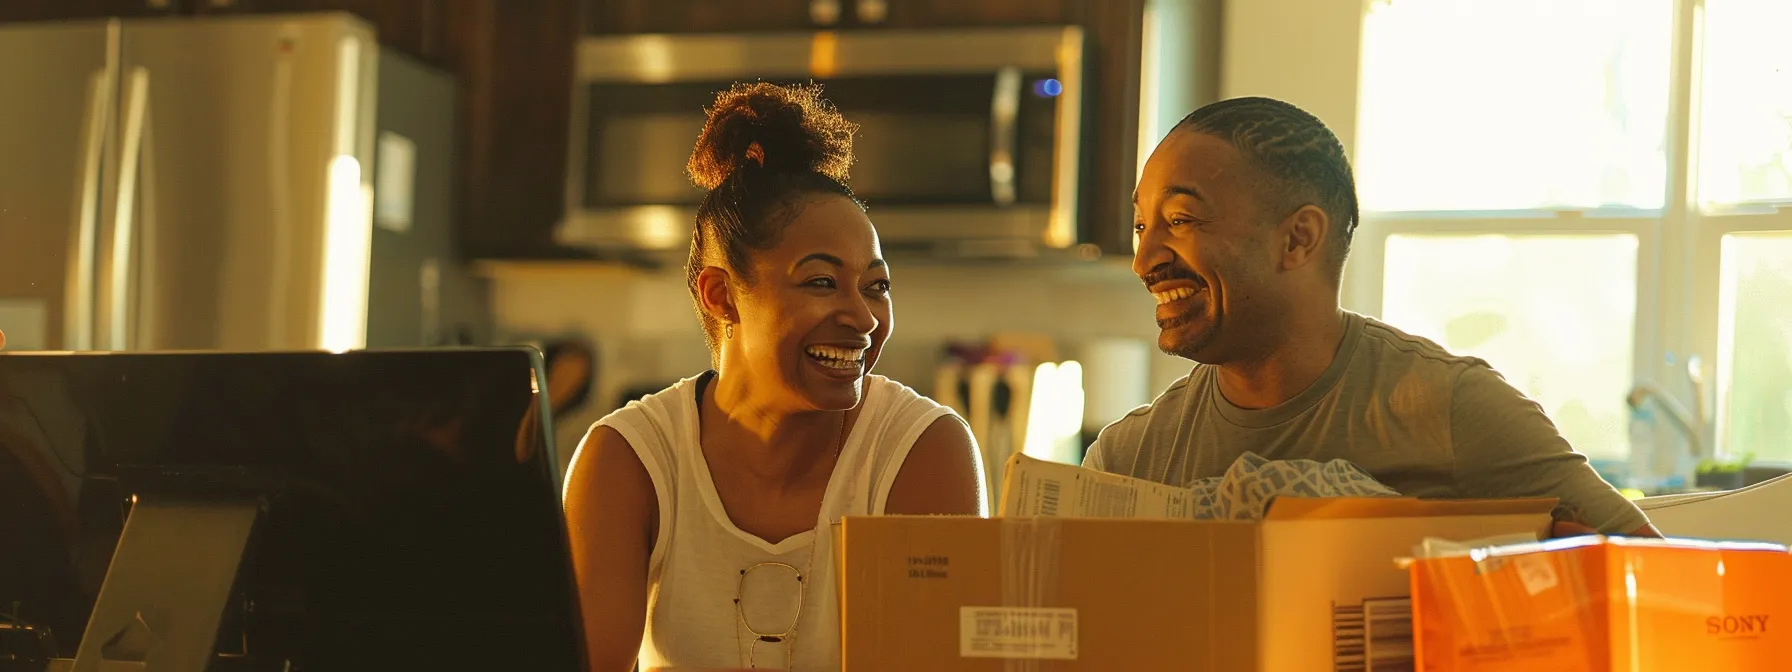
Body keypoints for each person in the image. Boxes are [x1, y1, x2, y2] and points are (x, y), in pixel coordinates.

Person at [1088, 96, 1656, 537]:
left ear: (1298, 239)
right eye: (1143, 225)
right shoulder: (1126, 461)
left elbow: (1660, 584)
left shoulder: (1453, 411)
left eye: (1182, 220)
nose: (1145, 259)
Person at [561, 82, 985, 672]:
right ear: (721, 295)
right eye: (820, 282)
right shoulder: (629, 459)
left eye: (876, 286)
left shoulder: (922, 451)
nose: (862, 317)